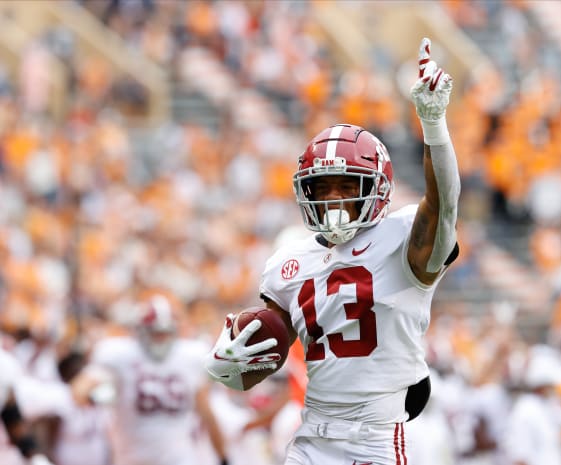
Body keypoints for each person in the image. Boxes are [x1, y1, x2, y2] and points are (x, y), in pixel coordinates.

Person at [205, 37, 460, 464]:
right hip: (310, 439)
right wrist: (235, 358)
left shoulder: (400, 239)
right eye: (322, 188)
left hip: (375, 439)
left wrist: (433, 125)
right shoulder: (288, 262)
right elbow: (266, 350)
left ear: (376, 188)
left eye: (347, 186)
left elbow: (445, 206)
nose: (333, 200)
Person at [71, 294, 230, 465]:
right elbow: (79, 389)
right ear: (140, 330)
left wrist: (223, 457)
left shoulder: (190, 356)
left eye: (164, 333)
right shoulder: (120, 355)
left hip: (178, 458)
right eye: (154, 332)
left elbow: (206, 413)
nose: (159, 338)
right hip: (132, 458)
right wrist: (95, 396)